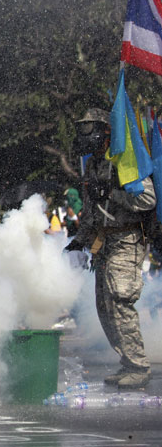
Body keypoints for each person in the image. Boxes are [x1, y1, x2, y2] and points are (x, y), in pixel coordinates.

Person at [65, 108, 155, 389]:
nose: (84, 135)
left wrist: (114, 193)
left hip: (127, 239)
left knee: (120, 299)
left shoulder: (126, 160)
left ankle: (138, 367)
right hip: (105, 241)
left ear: (106, 131)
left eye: (88, 128)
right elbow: (94, 209)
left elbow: (147, 200)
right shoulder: (93, 164)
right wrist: (82, 238)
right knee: (103, 305)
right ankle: (128, 363)